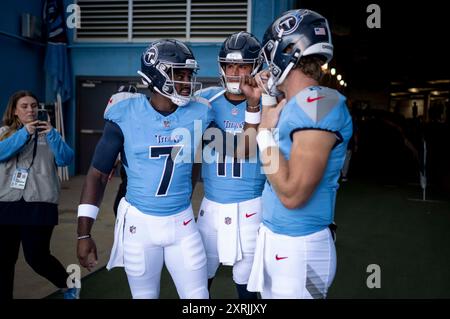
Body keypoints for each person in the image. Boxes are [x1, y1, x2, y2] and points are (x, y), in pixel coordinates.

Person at [76, 39, 213, 299]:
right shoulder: (125, 112)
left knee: (199, 298)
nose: (186, 81)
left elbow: (195, 161)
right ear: (155, 74)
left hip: (182, 223)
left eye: (188, 74)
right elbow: (97, 175)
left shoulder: (200, 112)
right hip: (139, 225)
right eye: (178, 73)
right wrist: (84, 234)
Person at [240, 9, 353, 298]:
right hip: (277, 241)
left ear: (287, 52)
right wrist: (264, 102)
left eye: (269, 55)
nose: (265, 66)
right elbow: (247, 150)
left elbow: (292, 194)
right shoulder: (290, 103)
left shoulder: (321, 101)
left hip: (302, 248)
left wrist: (265, 132)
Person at [195, 32, 265, 299]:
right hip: (211, 205)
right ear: (222, 67)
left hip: (251, 205)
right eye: (230, 65)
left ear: (255, 66)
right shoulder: (204, 101)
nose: (236, 72)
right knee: (199, 282)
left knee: (247, 289)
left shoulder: (269, 102)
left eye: (244, 65)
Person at [0, 90, 76, 299]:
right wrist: (25, 133)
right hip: (7, 203)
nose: (30, 109)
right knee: (4, 259)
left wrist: (52, 134)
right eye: (24, 106)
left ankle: (69, 285)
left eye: (33, 105)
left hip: (41, 203)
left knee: (37, 257)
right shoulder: (4, 132)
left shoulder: (49, 133)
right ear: (15, 110)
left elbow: (65, 159)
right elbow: (1, 152)